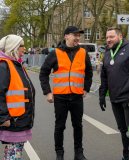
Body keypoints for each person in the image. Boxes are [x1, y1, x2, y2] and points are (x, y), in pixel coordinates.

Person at [39, 26, 93, 160]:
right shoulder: (55, 53)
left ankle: (79, 153)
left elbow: (89, 73)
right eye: (75, 35)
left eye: (78, 35)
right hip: (60, 97)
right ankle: (59, 153)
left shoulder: (83, 52)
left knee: (78, 126)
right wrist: (47, 92)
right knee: (59, 127)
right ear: (66, 36)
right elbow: (43, 73)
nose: (77, 38)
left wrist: (86, 88)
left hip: (77, 97)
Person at [0, 35, 36, 160]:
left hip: (17, 118)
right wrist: (3, 117)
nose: (25, 48)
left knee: (14, 151)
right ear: (13, 48)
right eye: (22, 46)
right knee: (13, 152)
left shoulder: (15, 64)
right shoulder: (4, 65)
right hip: (12, 119)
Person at [99, 27, 129, 160]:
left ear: (120, 37)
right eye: (107, 37)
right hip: (115, 99)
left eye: (111, 37)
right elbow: (104, 76)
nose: (108, 40)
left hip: (128, 99)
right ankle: (126, 154)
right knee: (122, 129)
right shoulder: (108, 54)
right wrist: (102, 95)